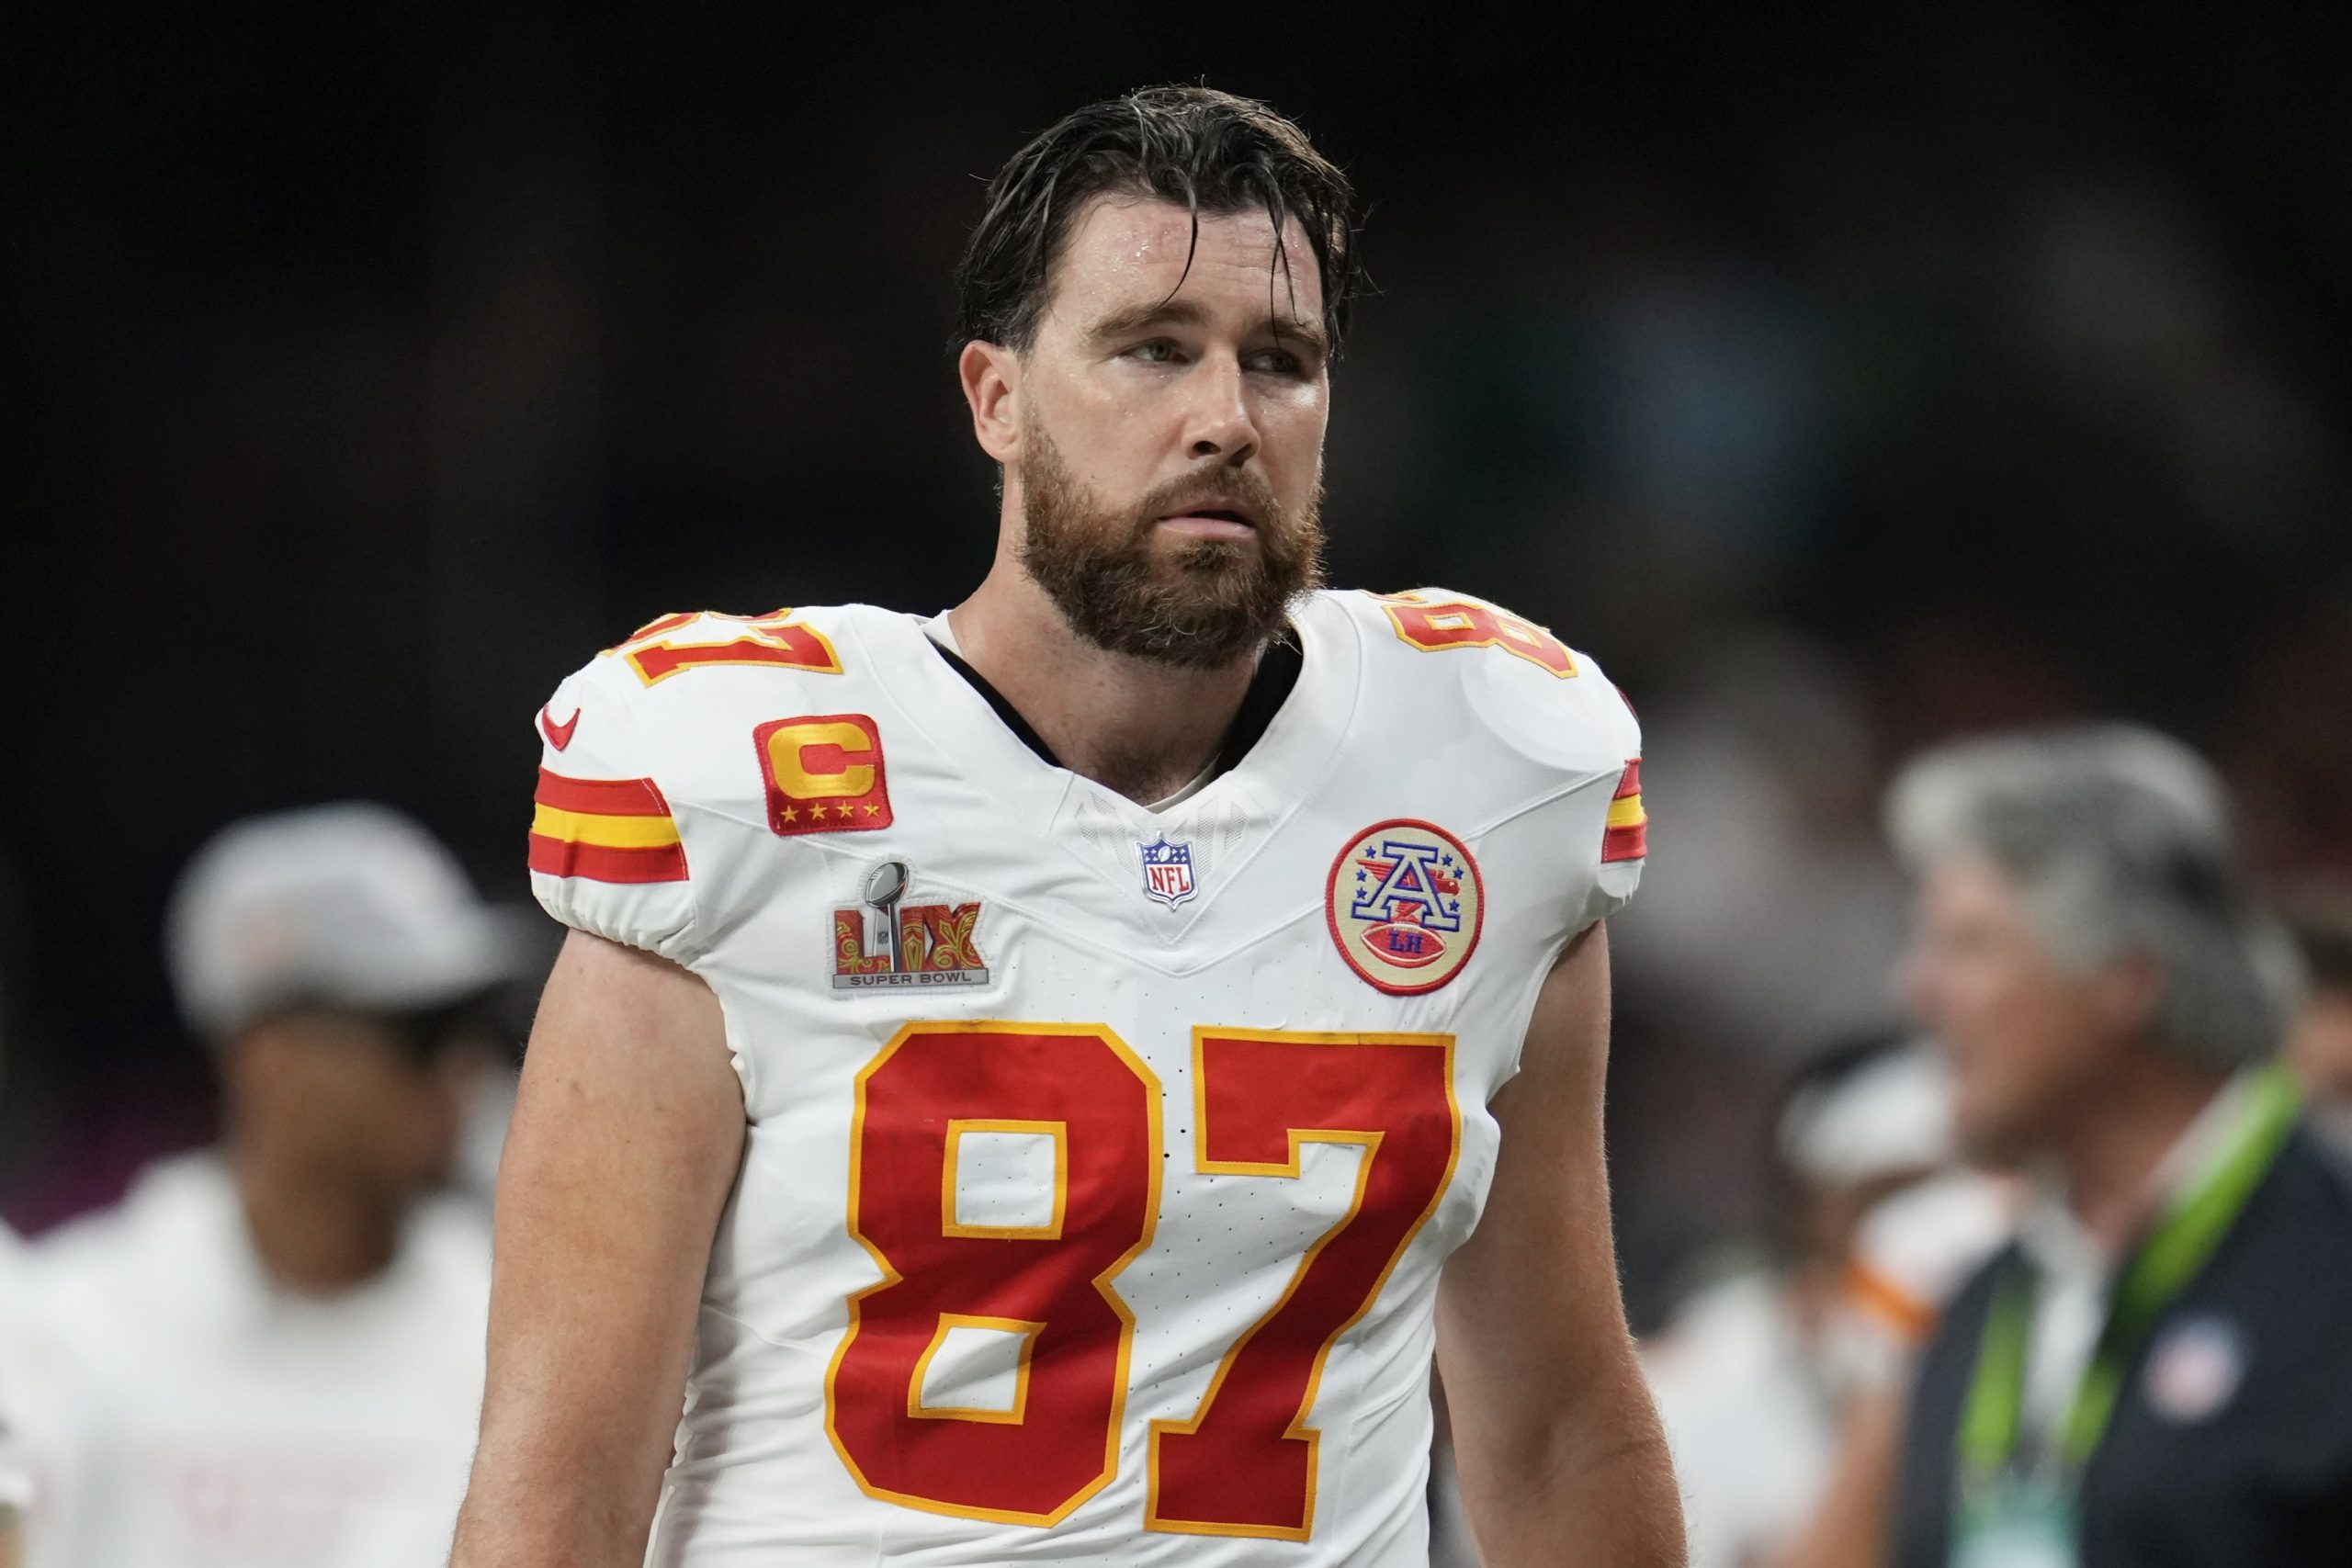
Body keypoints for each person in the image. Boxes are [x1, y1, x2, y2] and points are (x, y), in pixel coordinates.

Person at [452, 85, 1683, 1567]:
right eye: (1154, 347)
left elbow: (1555, 1423)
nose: (1225, 418)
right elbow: (570, 1466)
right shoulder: (742, 777)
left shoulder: (1491, 766)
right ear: (997, 398)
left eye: (1280, 361)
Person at [1883, 726, 2352, 1566]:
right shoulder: (1979, 1305)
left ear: (2126, 978)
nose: (1918, 989)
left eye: (1970, 945)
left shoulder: (2330, 1264)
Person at [23, 803, 526, 1567]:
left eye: (473, 1027)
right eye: (419, 1031)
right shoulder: (65, 1333)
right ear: (270, 1055)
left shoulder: (514, 1345)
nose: (464, 1070)